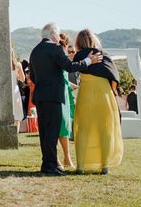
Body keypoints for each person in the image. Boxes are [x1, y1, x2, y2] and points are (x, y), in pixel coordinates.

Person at [28, 23, 102, 176]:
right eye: (58, 33)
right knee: (53, 132)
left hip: (40, 96)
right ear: (53, 34)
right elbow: (70, 66)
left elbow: (33, 77)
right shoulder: (54, 48)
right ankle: (52, 166)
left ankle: (47, 163)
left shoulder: (34, 51)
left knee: (45, 133)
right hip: (54, 96)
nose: (59, 36)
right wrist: (88, 61)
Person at [72, 29, 124, 175]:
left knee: (82, 129)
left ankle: (80, 166)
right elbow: (115, 78)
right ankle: (104, 165)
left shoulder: (79, 55)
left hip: (86, 94)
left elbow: (74, 68)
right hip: (104, 95)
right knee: (105, 129)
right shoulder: (104, 55)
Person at [57, 33, 76, 169]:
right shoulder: (58, 56)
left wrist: (71, 85)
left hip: (66, 92)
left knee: (66, 125)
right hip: (59, 93)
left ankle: (67, 157)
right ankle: (66, 158)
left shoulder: (62, 57)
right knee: (62, 126)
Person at [11, 50, 25, 131]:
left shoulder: (2, 65)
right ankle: (15, 136)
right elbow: (22, 79)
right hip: (15, 91)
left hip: (5, 91)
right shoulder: (18, 65)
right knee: (17, 116)